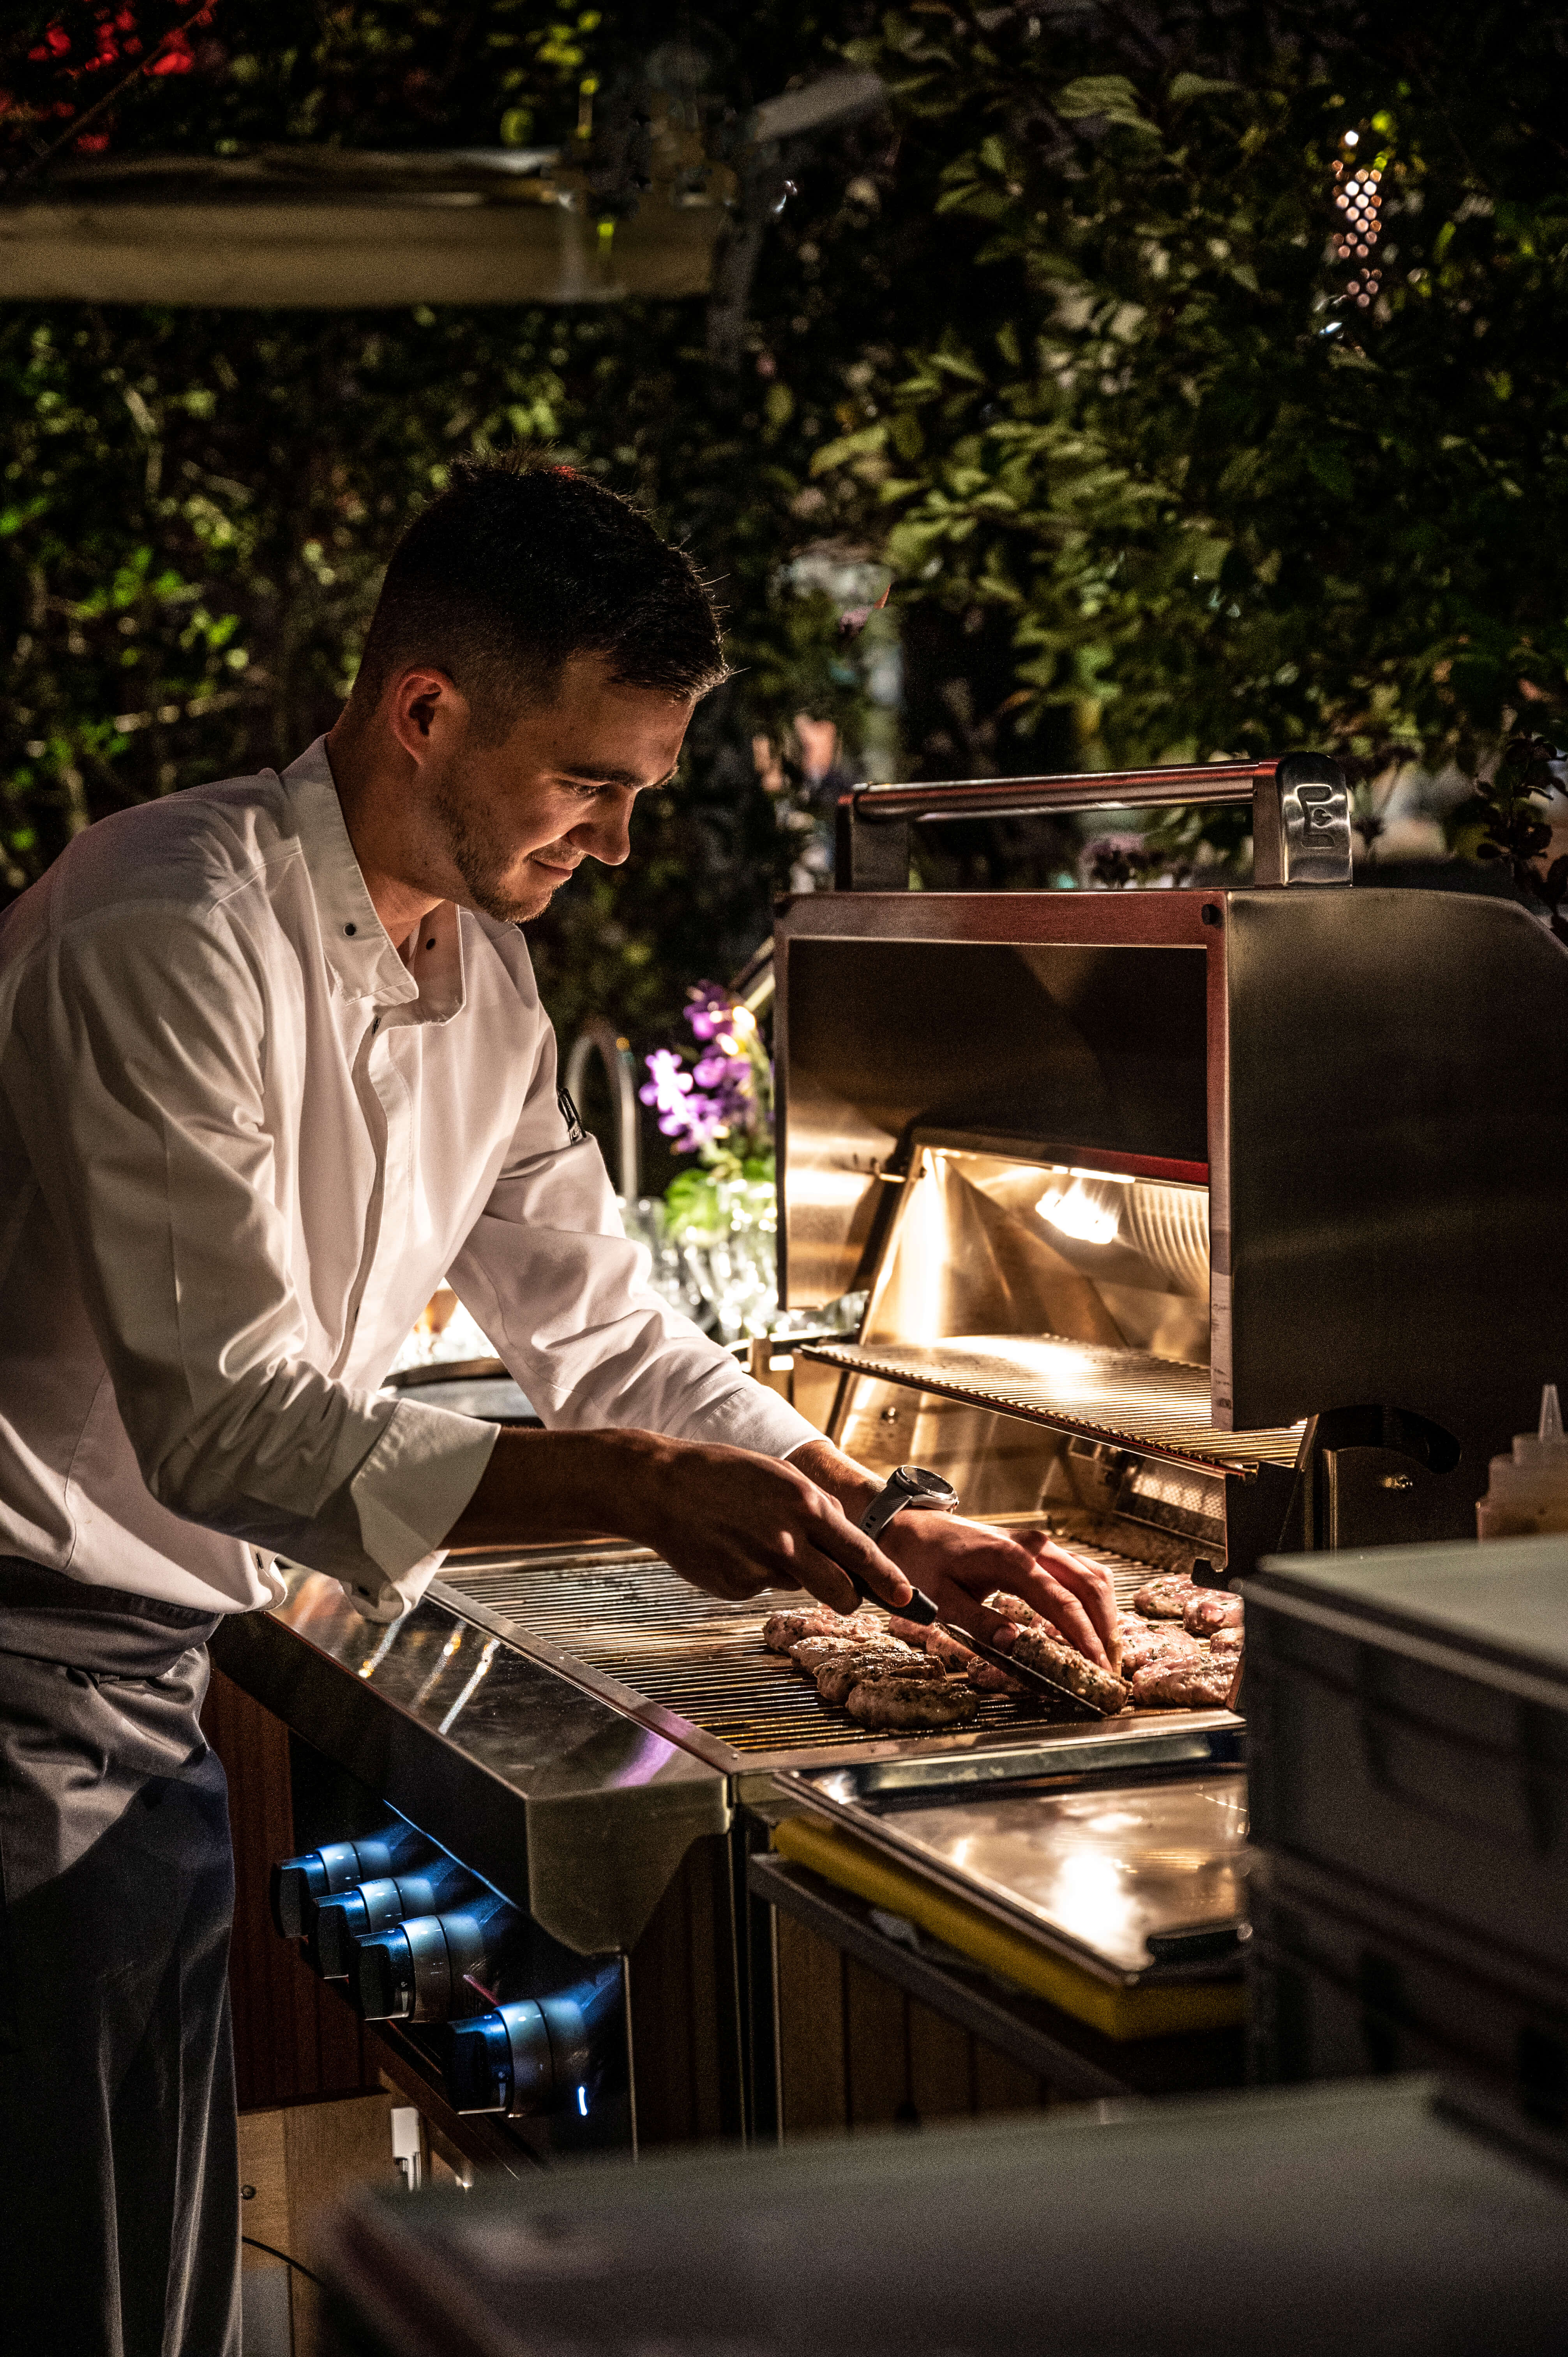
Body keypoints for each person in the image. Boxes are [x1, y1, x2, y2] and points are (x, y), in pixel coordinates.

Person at [0, 455, 1117, 2356]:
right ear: (424, 709)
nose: (613, 835)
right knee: (78, 2281)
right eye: (588, 780)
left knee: (140, 2267)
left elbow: (608, 1334)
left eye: (639, 789)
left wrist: (877, 1520)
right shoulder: (164, 926)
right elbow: (234, 1434)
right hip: (25, 1668)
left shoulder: (488, 984)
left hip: (145, 1670)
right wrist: (625, 1484)